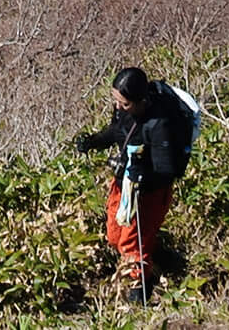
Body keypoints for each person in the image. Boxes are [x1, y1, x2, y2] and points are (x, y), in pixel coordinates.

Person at [73, 65, 192, 303]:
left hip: (149, 194)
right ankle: (164, 258)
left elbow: (167, 170)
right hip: (124, 184)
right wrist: (93, 142)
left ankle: (139, 294)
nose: (118, 107)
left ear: (141, 101)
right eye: (116, 100)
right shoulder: (125, 111)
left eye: (124, 103)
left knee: (131, 244)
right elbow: (117, 132)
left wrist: (141, 175)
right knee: (114, 236)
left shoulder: (159, 124)